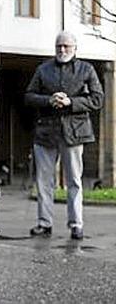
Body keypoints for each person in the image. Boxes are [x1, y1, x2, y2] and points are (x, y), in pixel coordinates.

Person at [25, 30, 103, 240]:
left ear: (75, 48)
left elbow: (98, 99)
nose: (62, 49)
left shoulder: (87, 70)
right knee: (43, 181)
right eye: (59, 46)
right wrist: (48, 100)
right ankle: (44, 223)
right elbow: (29, 96)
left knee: (74, 181)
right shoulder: (43, 69)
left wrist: (72, 102)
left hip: (74, 133)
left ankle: (76, 224)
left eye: (66, 46)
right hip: (46, 133)